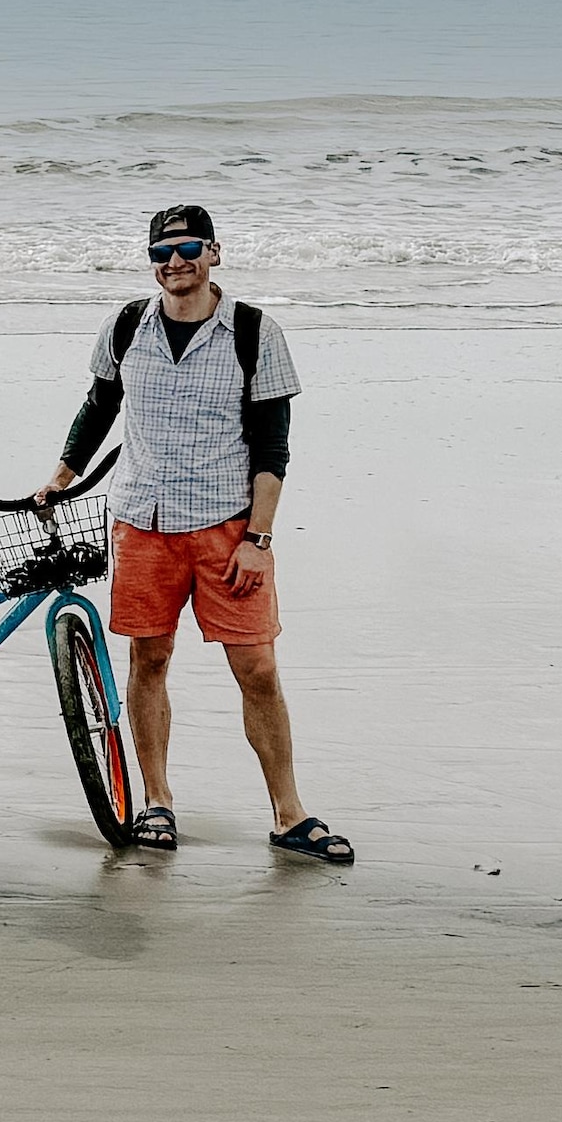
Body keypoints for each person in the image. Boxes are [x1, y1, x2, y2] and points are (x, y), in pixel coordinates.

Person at [43, 202, 347, 864]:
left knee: (257, 668)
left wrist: (258, 540)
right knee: (149, 660)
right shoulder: (127, 325)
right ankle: (157, 801)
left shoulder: (254, 332)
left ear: (214, 252)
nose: (174, 262)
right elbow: (99, 406)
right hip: (141, 524)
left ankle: (289, 813)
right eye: (162, 253)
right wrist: (61, 476)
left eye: (188, 249)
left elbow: (273, 448)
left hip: (226, 528)